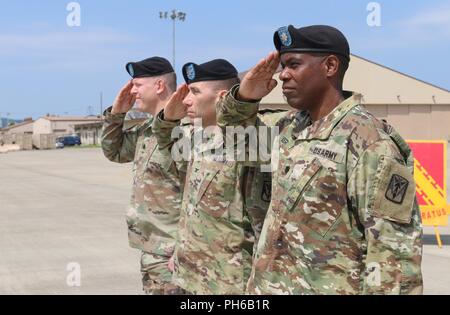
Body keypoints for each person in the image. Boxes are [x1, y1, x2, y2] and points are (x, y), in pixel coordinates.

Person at [216, 25, 423, 294]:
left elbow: (394, 256)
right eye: (282, 65)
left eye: (293, 64)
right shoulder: (286, 129)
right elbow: (235, 140)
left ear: (330, 66)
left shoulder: (369, 142)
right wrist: (245, 96)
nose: (283, 75)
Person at [152, 59, 278, 294]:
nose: (186, 100)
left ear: (221, 97)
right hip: (191, 272)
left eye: (195, 92)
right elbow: (191, 206)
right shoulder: (196, 138)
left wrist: (244, 98)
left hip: (228, 281)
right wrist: (181, 250)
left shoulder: (249, 140)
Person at [101, 56, 184, 294]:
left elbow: (198, 195)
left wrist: (185, 249)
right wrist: (117, 114)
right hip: (152, 247)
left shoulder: (183, 130)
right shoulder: (146, 130)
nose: (132, 90)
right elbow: (114, 151)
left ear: (159, 86)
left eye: (137, 85)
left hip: (172, 250)